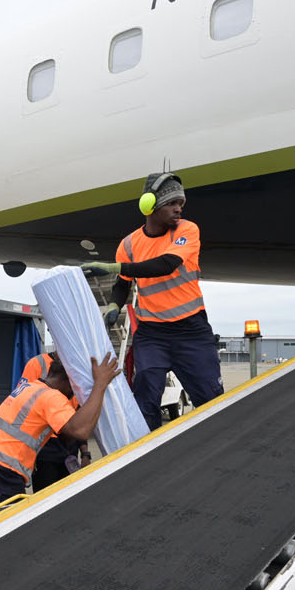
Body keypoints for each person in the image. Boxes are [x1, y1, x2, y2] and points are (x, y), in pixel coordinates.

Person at [84, 172, 223, 431]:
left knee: (209, 396)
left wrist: (112, 266)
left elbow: (166, 264)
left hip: (191, 330)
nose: (179, 208)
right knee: (146, 391)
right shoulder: (129, 244)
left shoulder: (187, 230)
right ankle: (146, 450)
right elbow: (123, 283)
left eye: (181, 203)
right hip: (152, 332)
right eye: (172, 203)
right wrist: (114, 304)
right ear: (149, 205)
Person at [0, 354, 118, 512]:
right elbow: (81, 431)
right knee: (5, 533)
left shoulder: (30, 387)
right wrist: (100, 385)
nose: (74, 395)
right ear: (68, 380)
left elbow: (67, 438)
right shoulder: (51, 397)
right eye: (76, 389)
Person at [16, 352, 91, 490]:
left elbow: (78, 413)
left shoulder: (79, 364)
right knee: (46, 497)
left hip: (69, 443)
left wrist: (85, 453)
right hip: (46, 444)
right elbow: (25, 404)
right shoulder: (37, 363)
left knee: (69, 494)